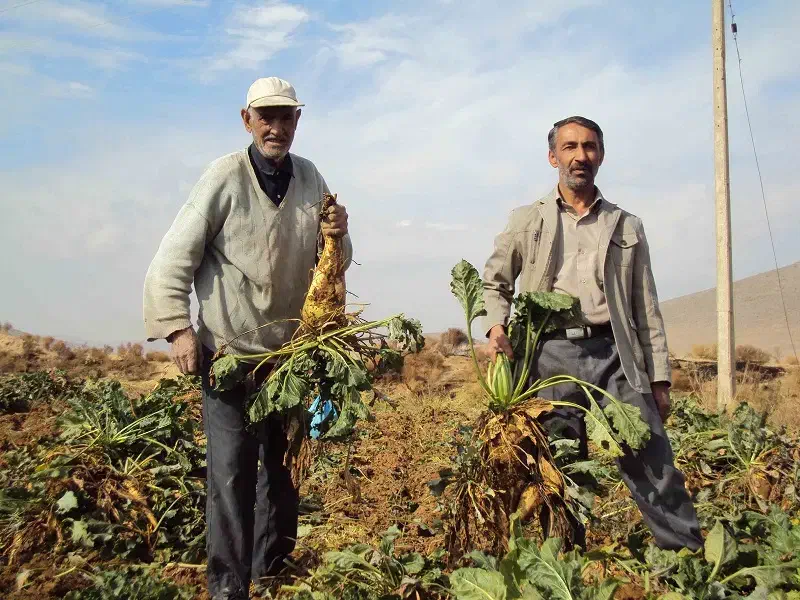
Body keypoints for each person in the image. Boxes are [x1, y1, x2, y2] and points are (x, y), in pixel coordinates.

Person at [143, 77, 352, 600]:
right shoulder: (224, 177)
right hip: (228, 356)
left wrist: (339, 234)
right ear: (247, 120)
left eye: (286, 118)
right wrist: (176, 327)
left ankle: (272, 574)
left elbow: (332, 265)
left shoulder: (311, 178)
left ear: (298, 122)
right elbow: (174, 256)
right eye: (267, 117)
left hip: (287, 360)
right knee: (231, 476)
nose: (276, 127)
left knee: (281, 476)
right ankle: (229, 588)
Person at [482, 116, 702, 551]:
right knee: (560, 466)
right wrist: (495, 326)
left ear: (600, 156)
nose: (580, 155)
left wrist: (659, 379)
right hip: (549, 356)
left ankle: (685, 558)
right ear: (552, 157)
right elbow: (495, 281)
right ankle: (564, 562)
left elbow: (646, 307)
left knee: (651, 458)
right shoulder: (527, 220)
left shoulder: (626, 226)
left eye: (589, 146)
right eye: (569, 147)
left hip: (615, 353)